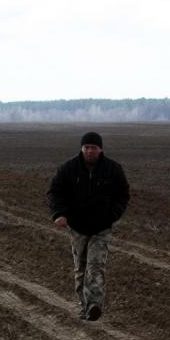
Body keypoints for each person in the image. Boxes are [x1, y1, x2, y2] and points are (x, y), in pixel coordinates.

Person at [46, 131, 130, 321]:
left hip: (101, 228)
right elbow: (54, 192)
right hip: (77, 227)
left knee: (96, 266)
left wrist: (112, 215)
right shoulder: (68, 169)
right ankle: (85, 306)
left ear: (100, 149)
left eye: (94, 147)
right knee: (81, 269)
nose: (90, 151)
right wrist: (59, 214)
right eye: (87, 147)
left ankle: (94, 305)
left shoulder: (113, 169)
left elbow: (123, 195)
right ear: (81, 148)